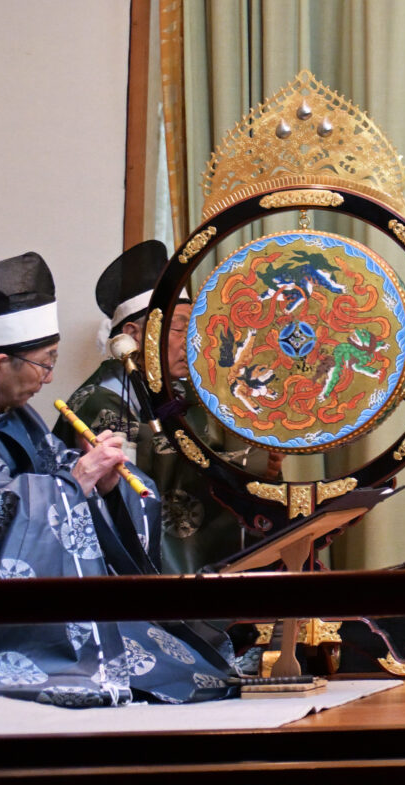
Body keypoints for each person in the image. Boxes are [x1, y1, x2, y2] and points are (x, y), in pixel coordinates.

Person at [0, 252, 238, 705]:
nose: (51, 377)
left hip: (29, 590)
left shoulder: (17, 413)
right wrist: (72, 484)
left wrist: (107, 483)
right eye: (44, 363)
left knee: (184, 668)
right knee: (103, 671)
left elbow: (61, 467)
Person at [57, 240, 256, 574]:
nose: (191, 341)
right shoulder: (100, 400)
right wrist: (243, 465)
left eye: (192, 328)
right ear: (133, 335)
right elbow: (146, 484)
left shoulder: (184, 392)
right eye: (179, 328)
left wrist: (258, 463)